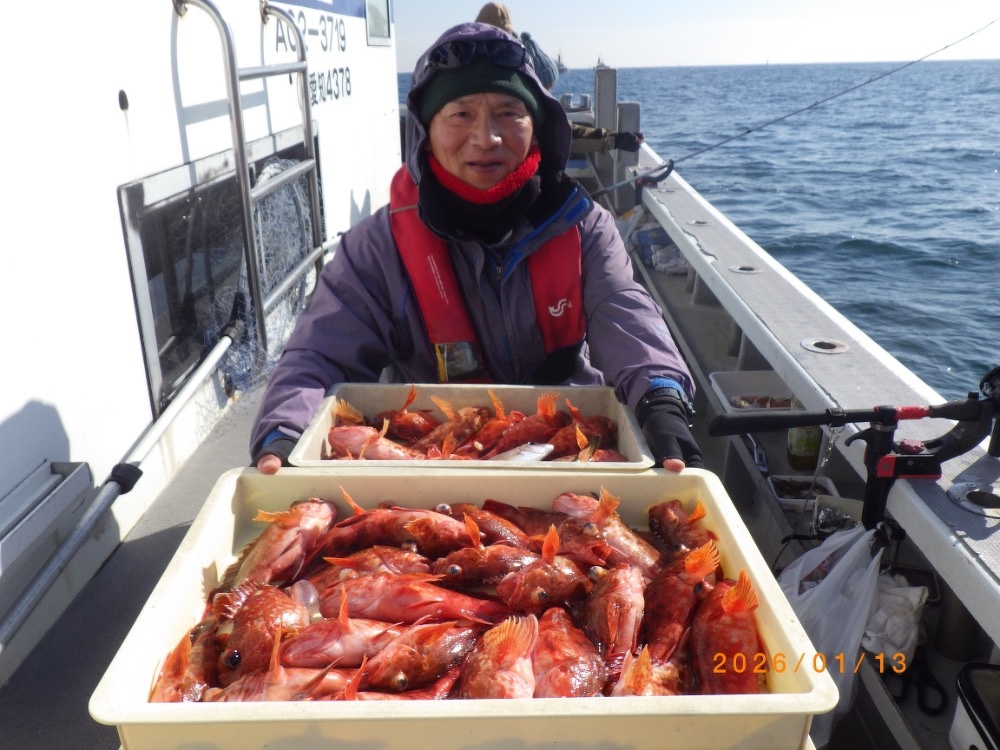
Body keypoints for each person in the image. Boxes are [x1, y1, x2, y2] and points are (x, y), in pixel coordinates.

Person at [250, 21, 701, 474]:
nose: (486, 138)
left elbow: (624, 311)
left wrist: (661, 396)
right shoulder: (375, 249)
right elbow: (320, 354)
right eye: (460, 114)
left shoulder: (586, 228)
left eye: (509, 112)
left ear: (536, 127)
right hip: (431, 467)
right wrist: (286, 433)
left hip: (567, 450)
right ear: (426, 131)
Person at [473, 3, 644, 156]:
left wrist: (613, 139)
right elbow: (560, 133)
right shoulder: (521, 92)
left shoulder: (463, 79)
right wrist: (613, 139)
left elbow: (559, 131)